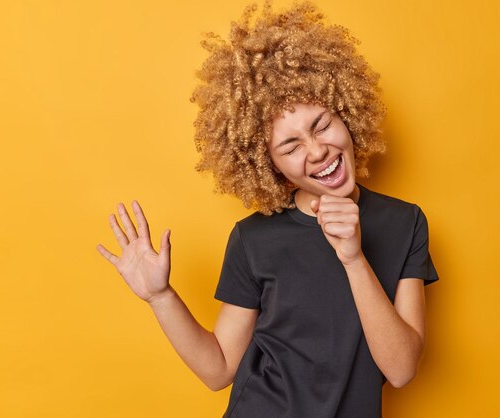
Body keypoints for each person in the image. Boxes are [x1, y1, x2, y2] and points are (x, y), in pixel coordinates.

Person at [96, 1, 440, 417]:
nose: (317, 152)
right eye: (290, 147)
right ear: (267, 165)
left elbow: (401, 370)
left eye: (322, 125)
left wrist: (352, 257)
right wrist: (159, 296)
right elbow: (219, 368)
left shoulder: (404, 222)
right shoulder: (254, 238)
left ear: (347, 112)